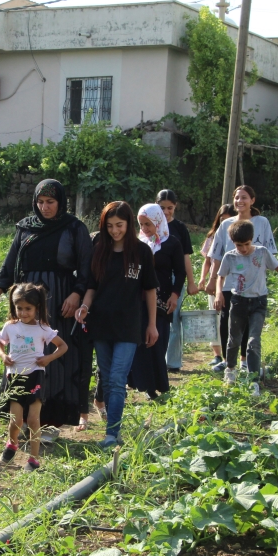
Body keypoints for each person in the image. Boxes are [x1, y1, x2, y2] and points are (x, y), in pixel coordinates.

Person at [0, 179, 92, 443]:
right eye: (40, 202)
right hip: (26, 301)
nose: (45, 207)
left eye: (51, 202)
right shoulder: (25, 228)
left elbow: (87, 267)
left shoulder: (73, 228)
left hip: (59, 300)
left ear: (61, 202)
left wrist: (76, 294)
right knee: (23, 354)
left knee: (51, 359)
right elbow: (10, 263)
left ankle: (50, 422)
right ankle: (20, 418)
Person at [75, 202, 158, 447]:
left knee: (117, 378)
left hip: (129, 325)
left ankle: (112, 434)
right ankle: (112, 428)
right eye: (109, 226)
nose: (114, 230)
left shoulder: (142, 252)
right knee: (107, 377)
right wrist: (85, 307)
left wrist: (152, 324)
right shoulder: (99, 249)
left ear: (128, 224)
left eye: (119, 225)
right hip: (101, 323)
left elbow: (150, 290)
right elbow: (91, 287)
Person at [214, 220, 278, 395]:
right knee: (234, 339)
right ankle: (231, 370)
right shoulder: (230, 256)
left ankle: (253, 379)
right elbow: (221, 277)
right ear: (233, 243)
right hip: (238, 302)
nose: (243, 248)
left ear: (252, 240)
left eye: (246, 244)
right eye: (239, 245)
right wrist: (219, 293)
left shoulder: (262, 253)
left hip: (258, 302)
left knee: (253, 341)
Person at [0, 283, 68, 471]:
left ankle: (33, 459)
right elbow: (0, 344)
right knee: (16, 420)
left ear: (37, 308)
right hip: (15, 376)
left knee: (34, 420)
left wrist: (48, 358)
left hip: (35, 375)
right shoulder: (10, 327)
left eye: (28, 308)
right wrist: (4, 356)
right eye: (19, 308)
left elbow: (63, 346)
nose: (23, 312)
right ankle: (12, 443)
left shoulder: (42, 328)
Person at [205, 185, 277, 373]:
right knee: (226, 320)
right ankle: (228, 362)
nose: (240, 201)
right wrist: (213, 280)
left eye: (244, 198)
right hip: (229, 282)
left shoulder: (262, 222)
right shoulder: (226, 225)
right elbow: (217, 254)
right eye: (237, 198)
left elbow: (269, 252)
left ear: (252, 200)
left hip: (252, 283)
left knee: (247, 324)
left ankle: (245, 360)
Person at [128, 203, 185, 399]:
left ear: (158, 221)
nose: (144, 229)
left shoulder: (172, 243)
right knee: (142, 342)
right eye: (141, 224)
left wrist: (175, 295)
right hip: (139, 300)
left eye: (148, 224)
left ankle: (160, 383)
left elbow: (180, 272)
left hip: (162, 301)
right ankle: (146, 386)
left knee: (158, 341)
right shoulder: (139, 244)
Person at [155, 190, 199, 372]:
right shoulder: (150, 226)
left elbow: (185, 258)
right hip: (154, 278)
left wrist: (191, 282)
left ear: (175, 207)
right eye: (162, 208)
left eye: (170, 208)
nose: (166, 212)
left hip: (175, 277)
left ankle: (171, 362)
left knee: (173, 318)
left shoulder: (180, 228)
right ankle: (154, 358)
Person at [197, 204, 237, 367]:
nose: (225, 222)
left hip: (231, 283)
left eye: (228, 219)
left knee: (229, 319)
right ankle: (217, 354)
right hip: (214, 284)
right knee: (214, 317)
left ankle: (232, 354)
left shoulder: (238, 237)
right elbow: (207, 262)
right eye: (222, 219)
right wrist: (203, 279)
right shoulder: (212, 236)